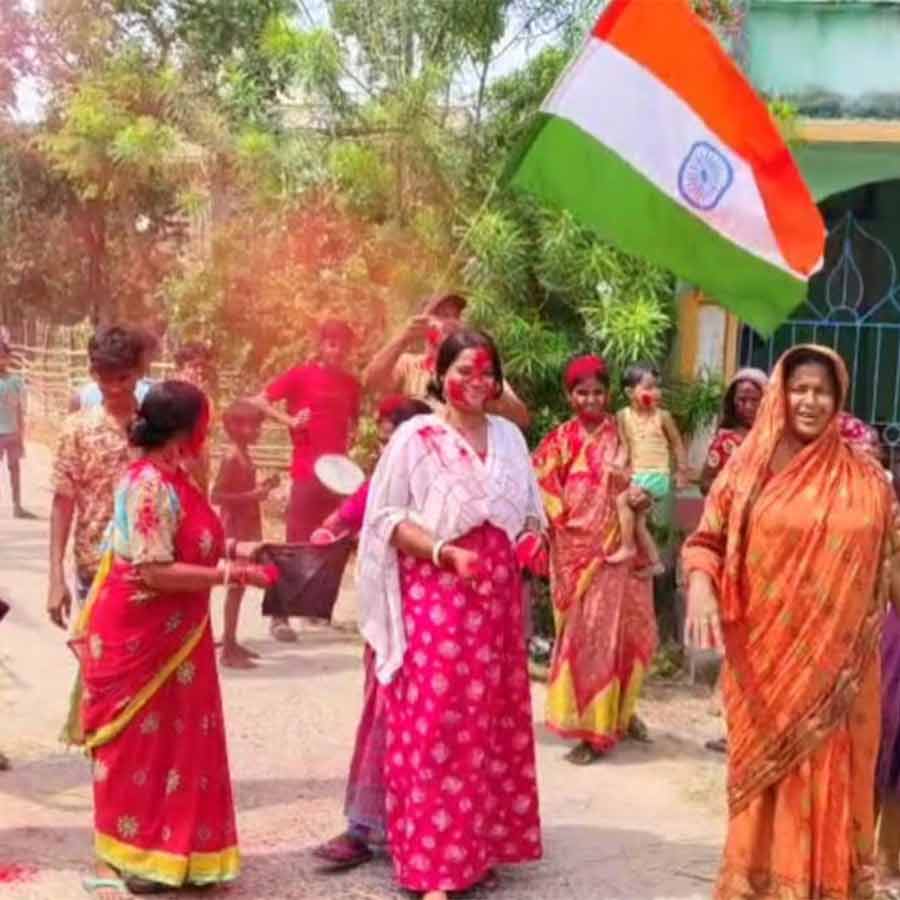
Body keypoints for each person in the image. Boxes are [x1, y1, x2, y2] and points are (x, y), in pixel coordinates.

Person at [683, 345, 899, 900]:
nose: (809, 400)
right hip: (765, 667)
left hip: (839, 677)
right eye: (799, 388)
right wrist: (702, 590)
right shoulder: (745, 469)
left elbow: (890, 569)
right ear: (782, 392)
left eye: (822, 391)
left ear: (839, 399)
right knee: (766, 787)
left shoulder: (867, 480)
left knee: (831, 782)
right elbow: (705, 541)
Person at [358, 329, 544, 900]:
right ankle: (433, 865)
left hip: (496, 602)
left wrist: (534, 542)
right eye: (466, 369)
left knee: (489, 719)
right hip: (437, 593)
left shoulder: (509, 437)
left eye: (488, 371)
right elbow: (386, 518)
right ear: (440, 373)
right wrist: (443, 552)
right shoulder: (418, 437)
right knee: (436, 721)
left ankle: (477, 850)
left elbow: (531, 512)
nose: (478, 382)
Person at [70, 381, 275, 895]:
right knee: (140, 745)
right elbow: (155, 571)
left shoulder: (177, 478)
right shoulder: (147, 485)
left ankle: (181, 851)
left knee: (180, 741)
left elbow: (195, 541)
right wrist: (231, 575)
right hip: (140, 635)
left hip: (179, 636)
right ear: (188, 429)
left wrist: (244, 549)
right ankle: (131, 853)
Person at [312, 395, 431, 870]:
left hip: (433, 621)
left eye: (393, 444)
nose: (386, 454)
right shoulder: (382, 480)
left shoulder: (447, 483)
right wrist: (331, 530)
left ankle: (425, 830)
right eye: (381, 445)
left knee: (426, 723)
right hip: (386, 621)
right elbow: (342, 519)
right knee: (381, 715)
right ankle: (365, 826)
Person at [533, 355, 658, 765]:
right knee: (588, 641)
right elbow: (542, 489)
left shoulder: (626, 435)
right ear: (569, 395)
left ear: (608, 393)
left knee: (629, 633)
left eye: (598, 391)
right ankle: (592, 730)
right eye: (581, 392)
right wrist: (562, 527)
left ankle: (621, 714)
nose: (590, 399)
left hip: (620, 548)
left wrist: (645, 496)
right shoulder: (558, 440)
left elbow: (650, 474)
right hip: (576, 553)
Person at [251, 319, 362, 642]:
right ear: (320, 344)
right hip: (304, 470)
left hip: (337, 476)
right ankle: (278, 616)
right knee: (293, 543)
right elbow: (260, 400)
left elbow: (352, 422)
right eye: (331, 343)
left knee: (330, 540)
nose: (337, 350)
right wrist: (289, 419)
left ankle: (314, 611)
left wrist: (350, 438)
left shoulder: (351, 384)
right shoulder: (300, 375)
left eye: (343, 345)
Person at [48, 326, 144, 630]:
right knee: (97, 666)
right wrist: (55, 576)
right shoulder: (76, 429)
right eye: (104, 378)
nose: (114, 387)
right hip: (95, 570)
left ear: (140, 371)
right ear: (92, 372)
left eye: (123, 378)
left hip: (151, 571)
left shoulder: (156, 428)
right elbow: (63, 504)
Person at [362, 292, 531, 429]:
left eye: (456, 316)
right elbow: (369, 382)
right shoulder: (409, 364)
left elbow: (521, 419)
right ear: (422, 321)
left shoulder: (476, 370)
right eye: (442, 315)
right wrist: (403, 338)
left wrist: (489, 389)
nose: (451, 322)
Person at [211, 400, 280, 669]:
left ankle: (231, 640)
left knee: (238, 588)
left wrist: (261, 490)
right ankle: (228, 647)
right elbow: (216, 496)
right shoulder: (231, 458)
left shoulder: (242, 454)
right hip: (236, 529)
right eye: (254, 425)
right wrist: (252, 495)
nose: (258, 430)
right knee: (236, 585)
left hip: (246, 525)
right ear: (236, 427)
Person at [607, 363, 687, 575]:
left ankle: (627, 547)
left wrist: (681, 471)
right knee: (639, 523)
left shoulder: (663, 416)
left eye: (657, 387)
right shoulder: (623, 416)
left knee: (621, 501)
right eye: (649, 387)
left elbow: (677, 443)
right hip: (638, 475)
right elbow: (625, 446)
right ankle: (655, 562)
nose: (656, 392)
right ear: (629, 392)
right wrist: (617, 463)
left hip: (656, 476)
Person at [700, 368, 769, 495]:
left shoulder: (776, 439)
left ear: (767, 401)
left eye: (755, 400)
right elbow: (705, 483)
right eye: (742, 400)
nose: (748, 406)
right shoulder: (725, 442)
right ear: (733, 402)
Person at [69, 329, 158, 413]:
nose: (115, 389)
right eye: (106, 379)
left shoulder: (155, 404)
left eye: (123, 379)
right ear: (94, 374)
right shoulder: (82, 403)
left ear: (139, 371)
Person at [0, 341, 34, 518]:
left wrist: (21, 432)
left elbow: (20, 408)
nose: (1, 359)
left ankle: (17, 505)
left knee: (15, 469)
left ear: (8, 358)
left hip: (12, 432)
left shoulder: (16, 381)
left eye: (3, 356)